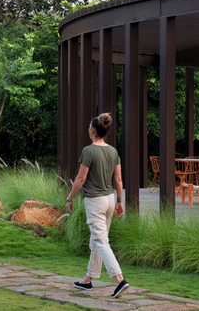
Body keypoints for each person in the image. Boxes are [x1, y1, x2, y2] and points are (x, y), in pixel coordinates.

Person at [66, 112, 129, 299]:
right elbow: (118, 179)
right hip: (109, 200)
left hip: (94, 201)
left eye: (88, 127)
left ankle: (119, 280)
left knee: (101, 241)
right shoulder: (113, 151)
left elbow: (81, 178)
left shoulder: (89, 150)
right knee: (97, 240)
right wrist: (119, 201)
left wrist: (70, 198)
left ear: (93, 130)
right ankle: (88, 279)